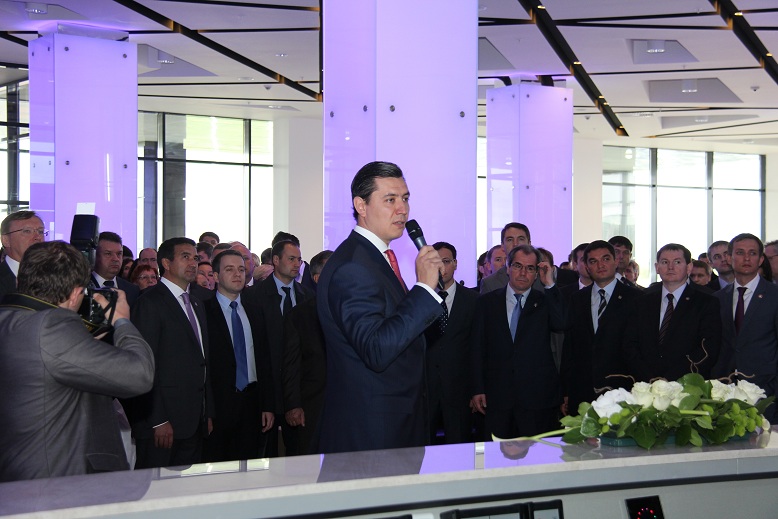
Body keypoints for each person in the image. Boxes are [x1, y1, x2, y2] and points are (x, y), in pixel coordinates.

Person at [316, 161, 444, 453]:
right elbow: (376, 348)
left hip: (391, 425)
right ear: (361, 205)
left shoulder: (375, 259)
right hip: (373, 433)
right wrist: (423, 289)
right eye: (390, 200)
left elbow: (409, 333)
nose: (403, 209)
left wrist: (430, 290)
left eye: (405, 198)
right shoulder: (354, 267)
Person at [0, 241, 154, 481]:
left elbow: (48, 367)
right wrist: (122, 321)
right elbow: (140, 374)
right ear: (75, 295)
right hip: (56, 480)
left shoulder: (10, 318)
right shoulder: (51, 328)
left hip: (17, 470)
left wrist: (86, 338)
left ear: (21, 279)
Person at [130, 237, 214, 469]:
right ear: (166, 263)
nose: (193, 263)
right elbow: (144, 365)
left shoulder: (196, 303)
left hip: (193, 421)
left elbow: (202, 361)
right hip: (162, 424)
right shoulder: (149, 302)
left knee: (186, 487)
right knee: (155, 487)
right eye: (185, 257)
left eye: (195, 258)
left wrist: (207, 411)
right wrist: (158, 420)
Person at [471, 244, 565, 439]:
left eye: (530, 268)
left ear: (536, 273)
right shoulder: (486, 303)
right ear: (508, 268)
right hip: (497, 397)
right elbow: (477, 348)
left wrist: (549, 284)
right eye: (517, 266)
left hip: (537, 399)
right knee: (497, 455)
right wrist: (477, 388)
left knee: (538, 455)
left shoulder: (545, 301)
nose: (523, 273)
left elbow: (561, 323)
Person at [203, 250, 274, 462]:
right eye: (230, 269)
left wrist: (267, 405)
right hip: (219, 405)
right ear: (216, 276)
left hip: (252, 403)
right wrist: (207, 411)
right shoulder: (203, 311)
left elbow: (264, 360)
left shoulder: (255, 310)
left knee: (248, 469)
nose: (237, 274)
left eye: (241, 269)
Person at [245, 239, 313, 456]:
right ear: (276, 260)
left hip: (300, 391)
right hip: (266, 390)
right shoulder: (253, 296)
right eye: (291, 259)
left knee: (299, 455)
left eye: (299, 260)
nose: (297, 264)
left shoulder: (308, 296)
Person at [560, 240, 641, 416]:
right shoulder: (577, 299)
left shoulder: (636, 298)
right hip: (582, 389)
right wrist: (565, 390)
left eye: (605, 259)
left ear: (615, 261)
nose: (600, 265)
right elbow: (570, 347)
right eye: (593, 261)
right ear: (587, 267)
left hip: (623, 390)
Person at [623, 243, 721, 382]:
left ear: (689, 267)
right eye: (664, 262)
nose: (670, 267)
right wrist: (648, 376)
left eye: (677, 262)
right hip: (645, 382)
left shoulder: (706, 302)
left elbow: (708, 348)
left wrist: (671, 379)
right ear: (657, 268)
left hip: (687, 382)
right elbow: (630, 344)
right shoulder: (641, 302)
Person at [712, 233, 778, 423]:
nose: (747, 258)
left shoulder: (774, 296)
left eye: (752, 253)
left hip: (766, 391)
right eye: (740, 253)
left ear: (761, 259)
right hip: (725, 391)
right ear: (730, 257)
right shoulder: (718, 299)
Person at [424, 242, 478, 444]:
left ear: (455, 264)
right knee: (424, 449)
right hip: (426, 390)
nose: (441, 267)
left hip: (460, 391)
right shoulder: (419, 299)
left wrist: (476, 389)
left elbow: (478, 348)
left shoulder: (473, 300)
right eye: (436, 262)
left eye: (446, 261)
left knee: (460, 447)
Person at [282, 249, 332, 455]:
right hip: (313, 405)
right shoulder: (299, 315)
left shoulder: (355, 310)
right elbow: (291, 364)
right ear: (318, 278)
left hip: (350, 405)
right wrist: (293, 405)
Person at [0, 210, 46, 299]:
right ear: (6, 240)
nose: (38, 237)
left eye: (40, 231)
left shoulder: (55, 276)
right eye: (27, 231)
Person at [91, 232, 140, 306]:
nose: (116, 259)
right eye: (108, 254)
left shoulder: (132, 290)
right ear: (95, 255)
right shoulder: (82, 286)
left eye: (119, 254)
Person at [480, 223, 531, 294]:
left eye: (520, 239)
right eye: (510, 240)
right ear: (502, 245)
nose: (515, 244)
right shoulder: (489, 283)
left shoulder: (542, 277)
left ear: (529, 243)